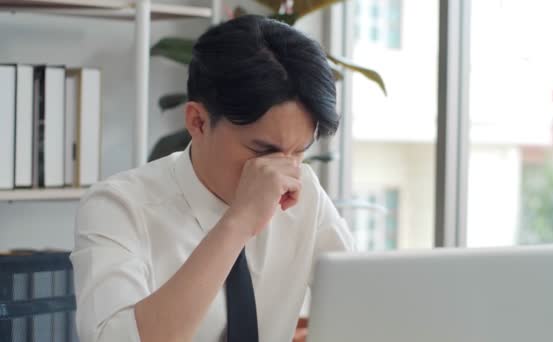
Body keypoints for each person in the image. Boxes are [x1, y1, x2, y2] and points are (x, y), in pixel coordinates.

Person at [70, 15, 354, 342]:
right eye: (263, 150)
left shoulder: (306, 191)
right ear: (198, 121)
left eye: (299, 151)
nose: (283, 171)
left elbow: (363, 303)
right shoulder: (118, 207)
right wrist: (238, 223)